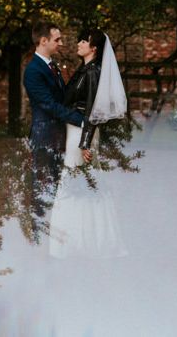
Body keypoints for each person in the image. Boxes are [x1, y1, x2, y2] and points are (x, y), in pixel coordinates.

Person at [49, 28, 128, 258]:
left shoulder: (93, 72)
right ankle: (75, 239)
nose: (79, 43)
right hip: (76, 131)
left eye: (84, 41)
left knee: (79, 181)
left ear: (94, 48)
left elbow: (94, 109)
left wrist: (85, 143)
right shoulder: (84, 69)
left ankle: (82, 242)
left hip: (82, 133)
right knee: (78, 181)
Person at [23, 21, 85, 224]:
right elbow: (49, 104)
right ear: (43, 41)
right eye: (57, 39)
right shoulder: (33, 70)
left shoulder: (52, 66)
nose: (60, 43)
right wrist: (78, 119)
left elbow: (63, 97)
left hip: (58, 136)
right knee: (41, 189)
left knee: (57, 186)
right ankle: (38, 237)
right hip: (44, 137)